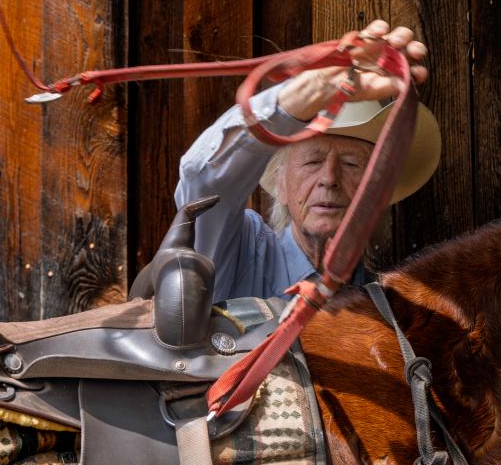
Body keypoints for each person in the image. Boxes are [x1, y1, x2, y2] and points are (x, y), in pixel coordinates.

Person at [174, 21, 440, 302]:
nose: (329, 178)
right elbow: (203, 178)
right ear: (282, 184)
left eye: (351, 164)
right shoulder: (241, 249)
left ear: (377, 193)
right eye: (312, 162)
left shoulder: (386, 302)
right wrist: (314, 90)